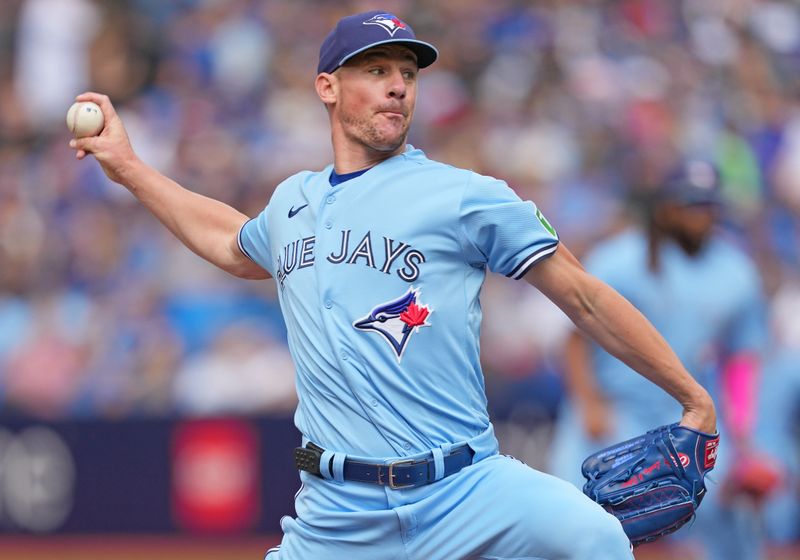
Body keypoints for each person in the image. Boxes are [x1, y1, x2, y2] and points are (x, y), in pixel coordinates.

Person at [69, 10, 716, 560]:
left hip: (467, 492)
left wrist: (691, 396)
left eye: (407, 74)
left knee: (597, 540)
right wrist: (127, 168)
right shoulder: (293, 201)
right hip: (336, 518)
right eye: (376, 71)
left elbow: (583, 294)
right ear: (328, 86)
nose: (398, 87)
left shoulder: (464, 196)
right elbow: (233, 244)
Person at [549, 160, 775, 560]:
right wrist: (589, 404)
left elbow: (741, 358)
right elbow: (574, 341)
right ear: (665, 206)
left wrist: (741, 431)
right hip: (614, 413)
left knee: (725, 529)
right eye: (689, 204)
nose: (700, 214)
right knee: (577, 522)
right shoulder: (619, 258)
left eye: (707, 205)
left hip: (686, 417)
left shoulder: (735, 270)